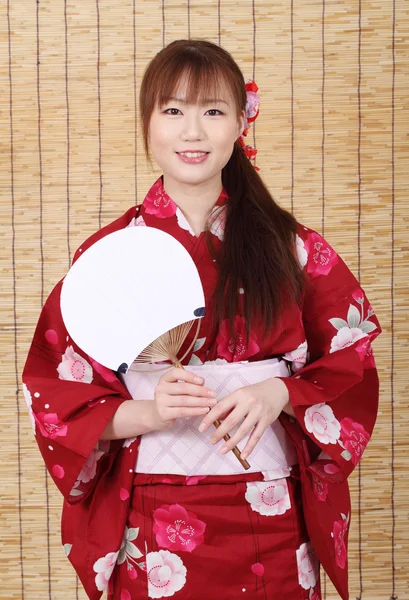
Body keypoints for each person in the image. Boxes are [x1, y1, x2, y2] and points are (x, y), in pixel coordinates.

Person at [22, 39, 381, 600]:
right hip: (153, 513)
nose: (193, 132)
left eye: (212, 111)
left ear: (241, 121)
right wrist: (149, 410)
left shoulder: (292, 249)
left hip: (272, 515)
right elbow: (55, 400)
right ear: (147, 122)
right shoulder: (107, 257)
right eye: (173, 110)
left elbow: (350, 363)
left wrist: (279, 393)